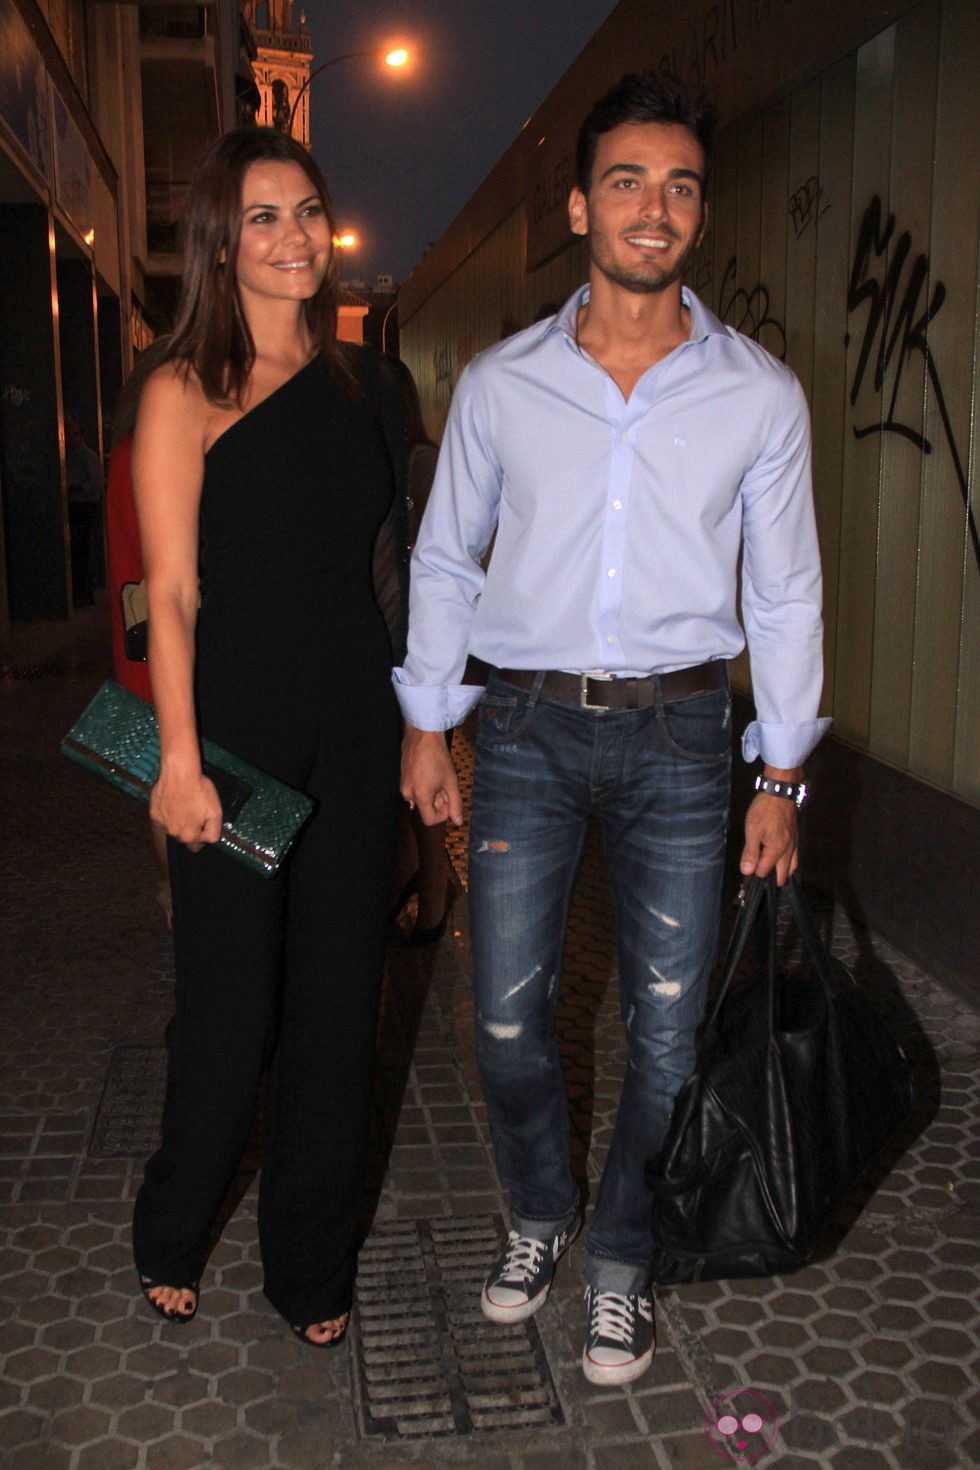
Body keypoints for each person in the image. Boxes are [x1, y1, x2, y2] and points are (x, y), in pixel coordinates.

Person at [396, 71, 830, 1387]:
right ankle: (542, 1209)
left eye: (679, 185)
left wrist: (783, 775)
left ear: (699, 211)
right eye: (627, 181)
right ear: (580, 206)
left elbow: (785, 590)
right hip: (526, 727)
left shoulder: (759, 395)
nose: (655, 207)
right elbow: (444, 559)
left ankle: (625, 1259)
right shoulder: (500, 384)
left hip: (684, 736)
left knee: (666, 1025)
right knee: (506, 1017)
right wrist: (429, 722)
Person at [130, 126, 406, 1347]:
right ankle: (172, 1226)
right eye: (262, 216)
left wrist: (421, 735)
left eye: (306, 211)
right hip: (236, 745)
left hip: (353, 728)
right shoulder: (183, 388)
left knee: (339, 1008)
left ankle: (310, 1263)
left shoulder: (370, 386)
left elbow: (392, 573)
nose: (294, 237)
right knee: (233, 1009)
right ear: (219, 242)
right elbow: (169, 593)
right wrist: (177, 761)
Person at [385, 355, 459, 945]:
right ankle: (418, 876)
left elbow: (441, 559)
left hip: (424, 647)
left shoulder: (422, 461)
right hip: (392, 639)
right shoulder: (386, 459)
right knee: (401, 776)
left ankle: (435, 892)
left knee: (426, 775)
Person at [105, 337, 175, 921]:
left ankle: (178, 893)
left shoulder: (125, 452)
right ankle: (180, 894)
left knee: (162, 779)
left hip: (139, 644)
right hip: (156, 642)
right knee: (167, 780)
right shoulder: (145, 453)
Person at [66, 417, 104, 605]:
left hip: (84, 506)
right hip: (73, 505)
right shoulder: (69, 456)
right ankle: (79, 592)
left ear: (81, 436)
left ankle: (85, 593)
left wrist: (78, 487)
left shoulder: (87, 456)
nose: (71, 439)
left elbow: (96, 482)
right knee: (76, 551)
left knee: (83, 549)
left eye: (74, 434)